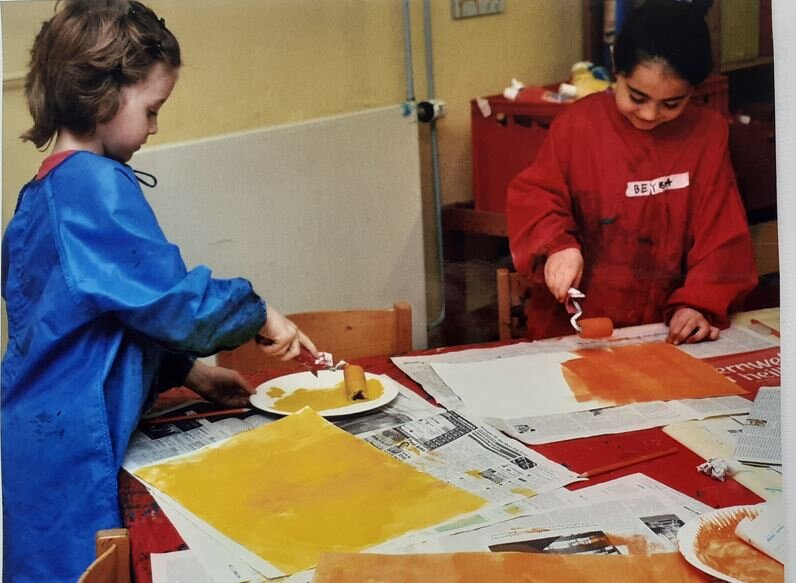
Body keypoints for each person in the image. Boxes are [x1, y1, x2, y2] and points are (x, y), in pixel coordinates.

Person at [1, 2, 317, 581]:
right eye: (151, 110)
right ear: (101, 96)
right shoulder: (89, 187)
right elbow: (171, 303)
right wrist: (258, 312)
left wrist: (190, 373)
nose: (154, 128)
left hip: (39, 437)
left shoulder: (41, 192)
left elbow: (99, 323)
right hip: (75, 446)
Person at [506, 0, 757, 345]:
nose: (650, 114)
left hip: (665, 331)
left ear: (694, 91)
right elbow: (536, 197)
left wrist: (699, 304)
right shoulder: (577, 127)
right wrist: (558, 247)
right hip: (577, 329)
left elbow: (723, 236)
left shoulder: (707, 133)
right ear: (616, 70)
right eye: (637, 97)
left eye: (671, 104)